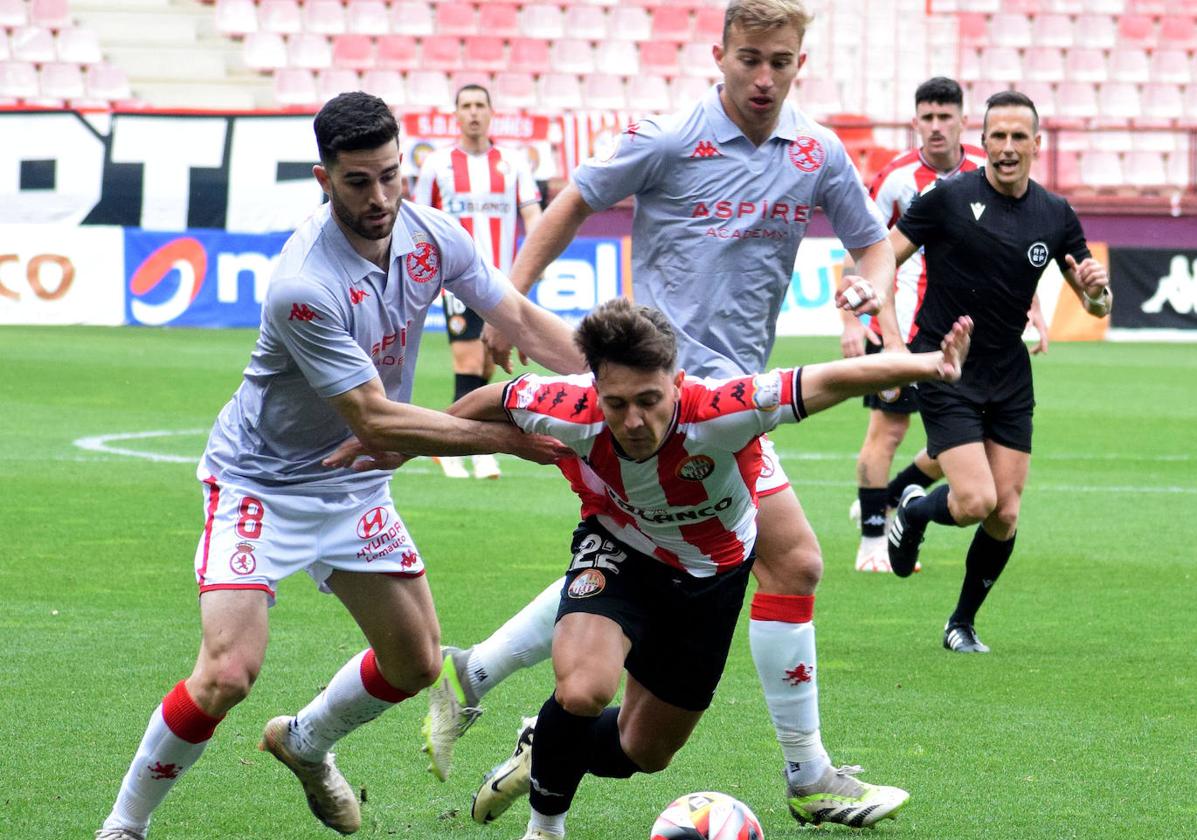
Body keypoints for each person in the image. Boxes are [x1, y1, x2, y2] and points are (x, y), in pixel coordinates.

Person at [423, 0, 909, 827]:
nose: (763, 77)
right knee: (791, 562)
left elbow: (869, 239)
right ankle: (808, 774)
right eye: (749, 58)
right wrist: (508, 306)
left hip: (724, 402)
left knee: (651, 575)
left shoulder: (815, 150)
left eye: (780, 61)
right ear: (717, 54)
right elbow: (574, 199)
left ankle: (476, 674)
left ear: (799, 61)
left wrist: (875, 288)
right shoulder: (666, 136)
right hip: (667, 398)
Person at [94, 92, 585, 840]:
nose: (380, 197)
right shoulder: (303, 285)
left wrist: (609, 381)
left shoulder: (432, 236)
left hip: (353, 484)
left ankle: (304, 742)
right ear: (323, 179)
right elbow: (374, 417)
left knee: (417, 662)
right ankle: (123, 827)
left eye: (391, 175)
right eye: (359, 181)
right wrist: (506, 438)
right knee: (227, 672)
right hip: (263, 479)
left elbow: (514, 317)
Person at [330, 298, 970, 840]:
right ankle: (544, 828)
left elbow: (830, 378)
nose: (633, 421)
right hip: (618, 554)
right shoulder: (567, 405)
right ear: (595, 391)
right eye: (616, 403)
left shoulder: (724, 410)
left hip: (711, 580)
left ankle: (541, 744)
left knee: (645, 751)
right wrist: (399, 444)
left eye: (649, 400)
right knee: (583, 689)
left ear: (677, 381)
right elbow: (494, 398)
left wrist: (929, 365)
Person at [882, 90, 1112, 653]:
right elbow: (882, 255)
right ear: (981, 142)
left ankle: (960, 623)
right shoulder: (946, 198)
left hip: (1009, 372)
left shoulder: (1056, 214)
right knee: (976, 502)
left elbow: (1095, 303)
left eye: (1019, 137)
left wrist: (1098, 296)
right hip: (946, 364)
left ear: (1037, 144)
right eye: (997, 137)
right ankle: (913, 511)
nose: (1008, 148)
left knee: (1005, 514)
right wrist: (889, 341)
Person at [844, 77, 1051, 573]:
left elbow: (1017, 253)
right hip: (903, 330)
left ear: (963, 122)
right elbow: (869, 252)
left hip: (968, 344)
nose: (935, 128)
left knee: (960, 447)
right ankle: (872, 540)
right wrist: (869, 327)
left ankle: (894, 498)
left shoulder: (989, 170)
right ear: (915, 121)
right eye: (927, 118)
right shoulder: (896, 177)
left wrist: (1035, 310)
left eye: (945, 117)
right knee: (887, 434)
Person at [413, 83, 544, 480]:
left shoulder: (514, 162)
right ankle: (465, 447)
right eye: (465, 106)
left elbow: (532, 214)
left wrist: (535, 264)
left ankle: (456, 442)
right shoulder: (436, 165)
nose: (473, 113)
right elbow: (419, 223)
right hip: (455, 279)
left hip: (501, 280)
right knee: (468, 360)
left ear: (491, 112)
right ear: (456, 114)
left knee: (487, 362)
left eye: (479, 105)